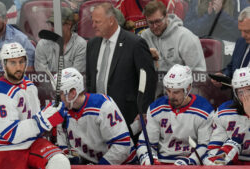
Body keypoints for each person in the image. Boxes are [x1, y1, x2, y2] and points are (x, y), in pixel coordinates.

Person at [0, 42, 70, 169]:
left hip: (31, 143)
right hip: (4, 150)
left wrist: (52, 114)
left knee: (60, 162)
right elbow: (12, 134)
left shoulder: (29, 85)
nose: (18, 67)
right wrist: (43, 120)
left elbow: (35, 118)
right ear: (4, 64)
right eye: (13, 63)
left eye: (21, 61)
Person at [86, 2, 157, 142]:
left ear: (111, 20)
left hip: (127, 117)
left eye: (97, 22)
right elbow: (90, 79)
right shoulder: (92, 44)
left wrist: (143, 111)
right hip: (97, 116)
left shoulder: (135, 44)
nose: (93, 26)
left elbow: (148, 80)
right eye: (92, 21)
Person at [55, 67, 136, 164]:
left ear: (73, 93)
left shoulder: (103, 106)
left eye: (60, 93)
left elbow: (122, 146)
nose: (58, 98)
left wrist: (99, 167)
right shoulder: (61, 112)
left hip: (123, 164)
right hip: (93, 164)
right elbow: (64, 145)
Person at [137, 64, 214, 165]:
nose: (171, 96)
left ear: (188, 88)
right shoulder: (156, 108)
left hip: (189, 163)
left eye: (176, 92)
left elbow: (205, 146)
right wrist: (149, 161)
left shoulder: (204, 110)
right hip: (162, 162)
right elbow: (146, 143)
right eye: (168, 91)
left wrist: (189, 162)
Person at [141, 0, 206, 71]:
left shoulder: (185, 37)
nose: (155, 26)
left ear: (166, 17)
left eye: (158, 21)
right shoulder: (144, 37)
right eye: (150, 23)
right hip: (154, 81)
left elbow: (198, 72)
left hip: (181, 81)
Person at [204, 67, 250, 165]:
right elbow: (214, 149)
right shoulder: (225, 111)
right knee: (232, 144)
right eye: (241, 92)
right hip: (235, 164)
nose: (246, 96)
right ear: (235, 94)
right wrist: (215, 162)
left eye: (249, 90)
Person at [35, 7, 86, 72]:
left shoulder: (80, 45)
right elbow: (42, 76)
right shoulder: (42, 44)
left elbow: (76, 76)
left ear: (69, 25)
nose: (53, 28)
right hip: (48, 82)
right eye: (52, 24)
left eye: (56, 24)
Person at [211, 6, 250, 87]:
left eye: (247, 31)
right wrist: (223, 77)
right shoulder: (241, 42)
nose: (243, 35)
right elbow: (232, 68)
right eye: (240, 31)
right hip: (236, 97)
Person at [184, 0, 249, 42]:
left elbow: (243, 33)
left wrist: (221, 14)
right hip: (203, 46)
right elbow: (188, 30)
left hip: (229, 49)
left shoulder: (240, 3)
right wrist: (209, 16)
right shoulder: (197, 2)